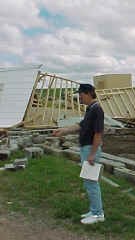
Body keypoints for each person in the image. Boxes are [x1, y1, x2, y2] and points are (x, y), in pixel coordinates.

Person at [53, 83, 105, 225]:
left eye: (80, 95)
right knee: (89, 182)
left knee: (91, 183)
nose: (79, 98)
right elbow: (81, 125)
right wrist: (63, 130)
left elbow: (98, 133)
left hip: (90, 149)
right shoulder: (90, 109)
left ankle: (98, 214)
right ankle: (94, 210)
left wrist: (92, 154)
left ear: (88, 93)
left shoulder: (97, 110)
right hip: (86, 149)